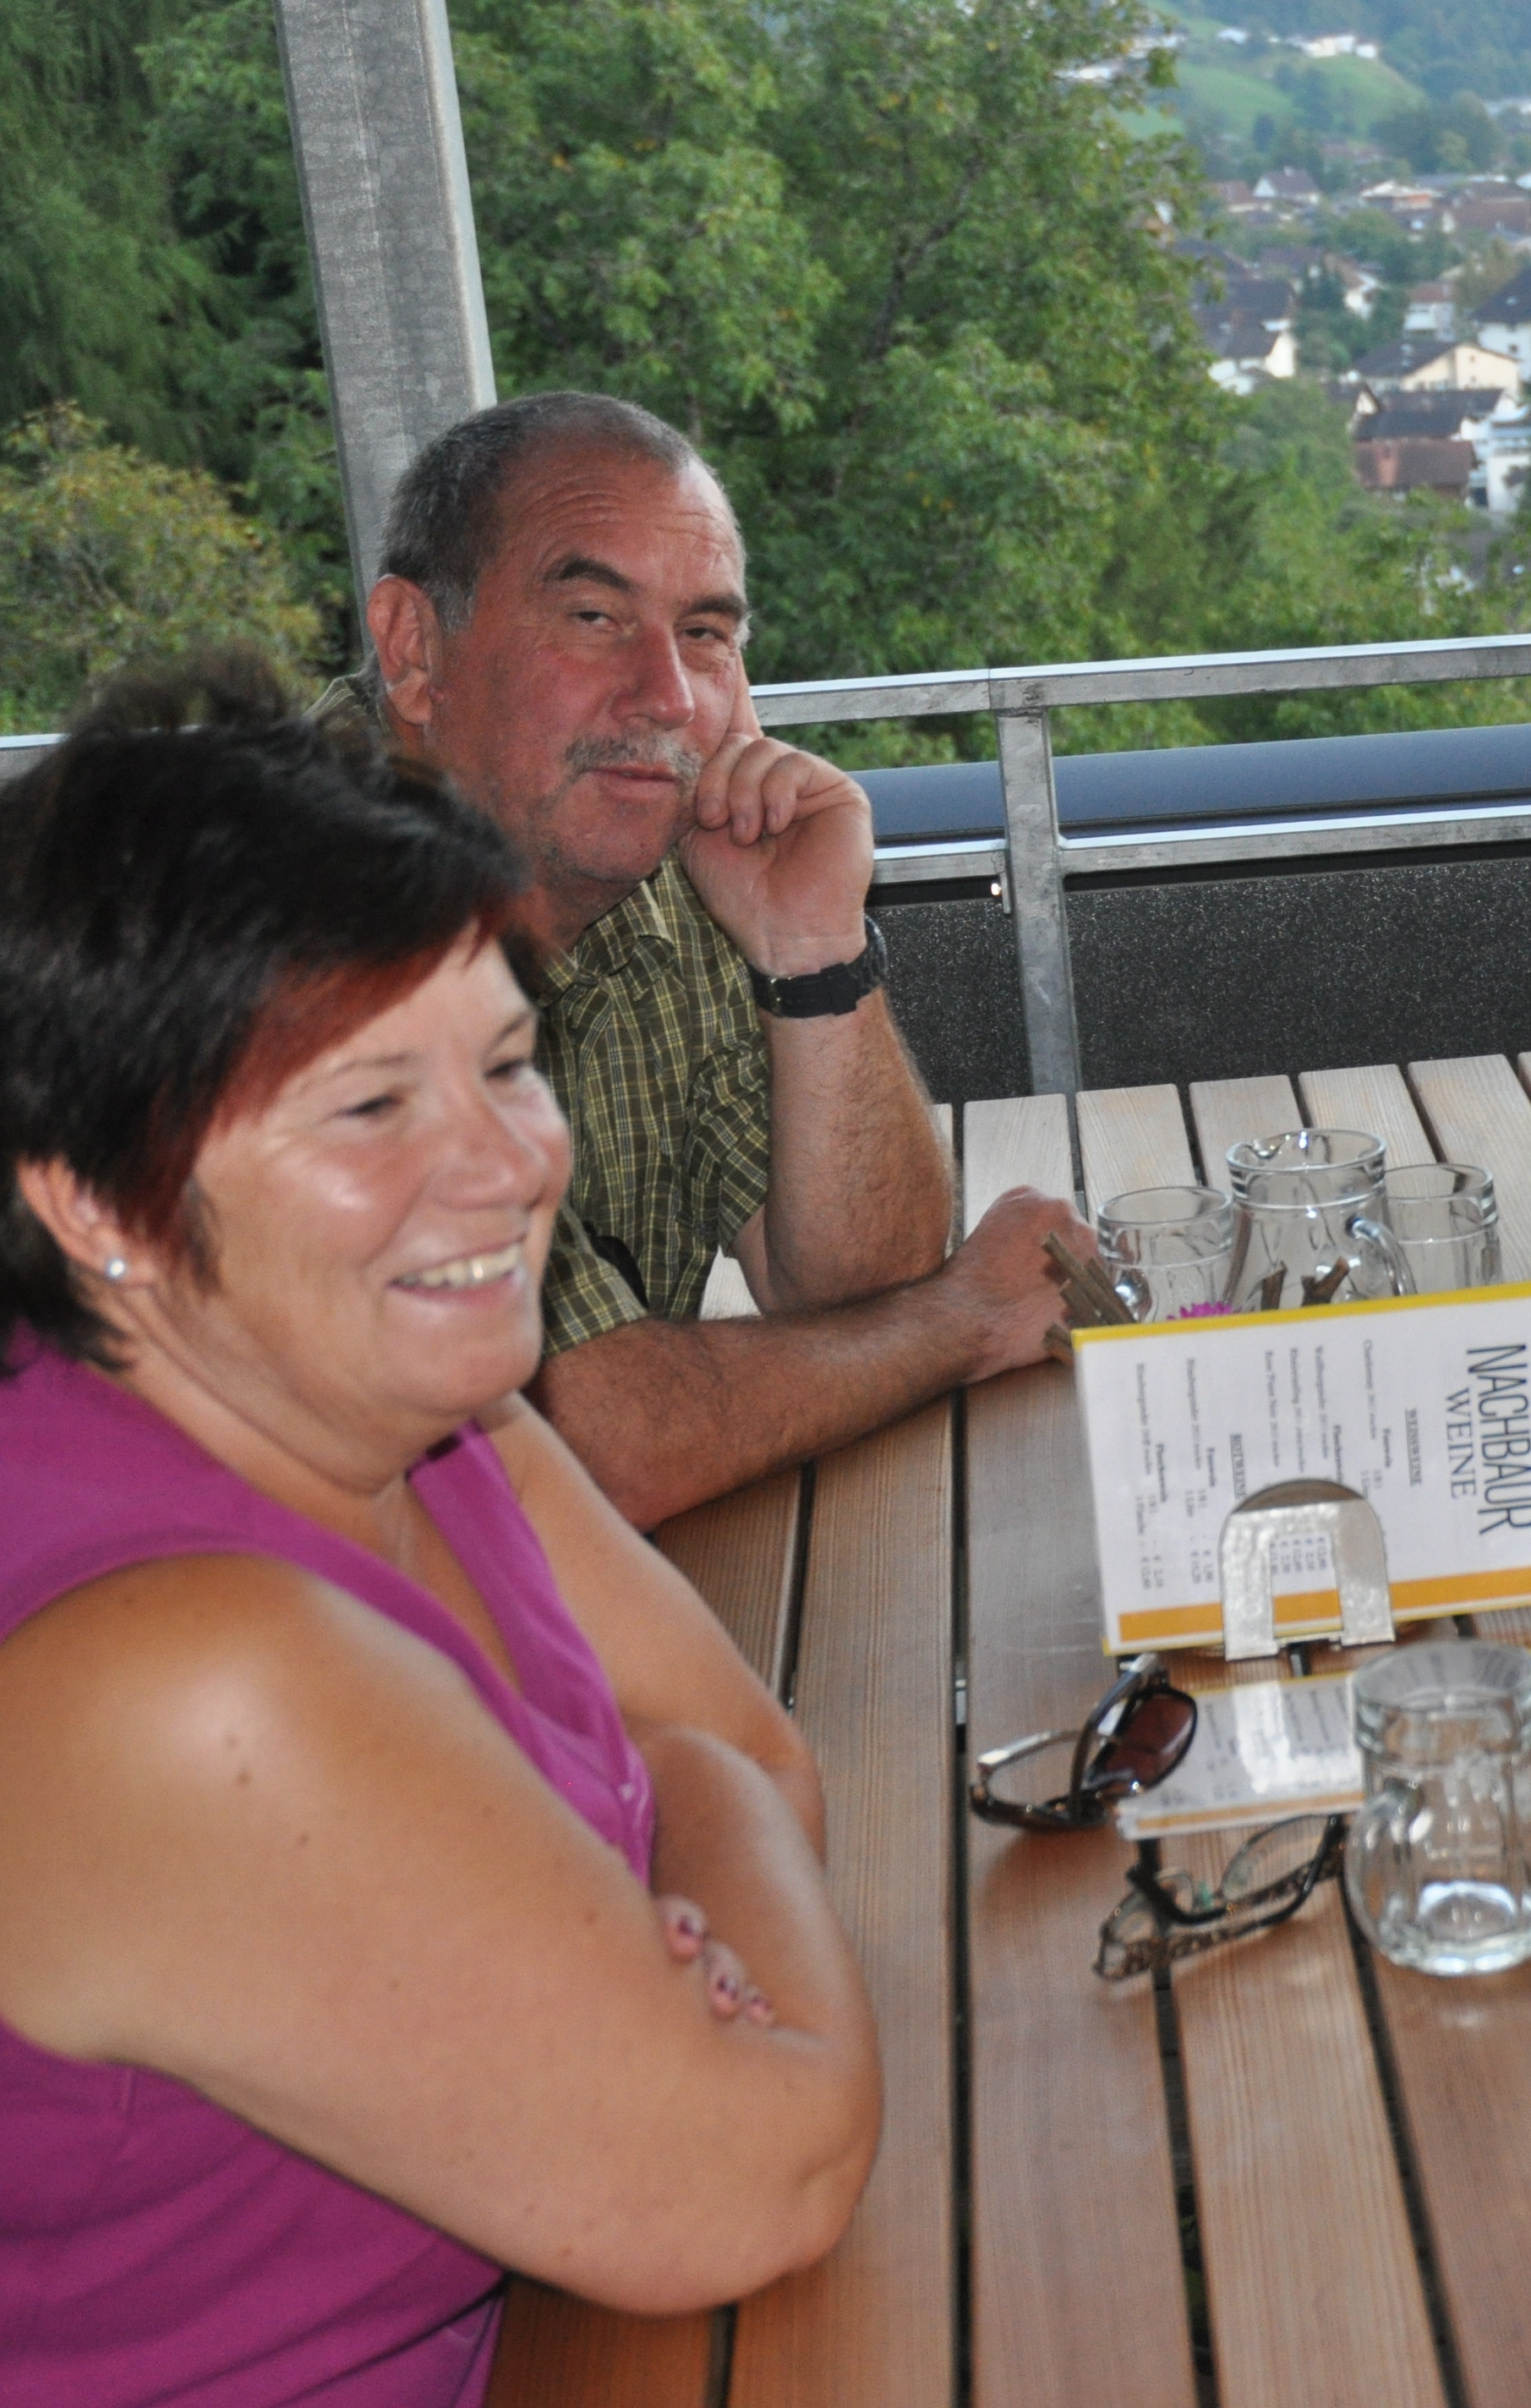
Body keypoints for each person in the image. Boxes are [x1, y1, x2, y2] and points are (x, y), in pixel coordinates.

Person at [0, 663, 879, 2405]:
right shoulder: (182, 1674)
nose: (503, 1167)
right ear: (99, 1202)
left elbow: (767, 1766)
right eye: (370, 1105)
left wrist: (687, 1808)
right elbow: (751, 2170)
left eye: (505, 1064)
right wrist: (672, 1811)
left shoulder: (407, 1399)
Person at [364, 392, 1083, 1528]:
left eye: (704, 634)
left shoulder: (661, 857)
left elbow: (859, 1283)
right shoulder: (312, 928)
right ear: (414, 648)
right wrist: (966, 1321)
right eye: (594, 617)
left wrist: (813, 950)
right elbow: (586, 1445)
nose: (668, 697)